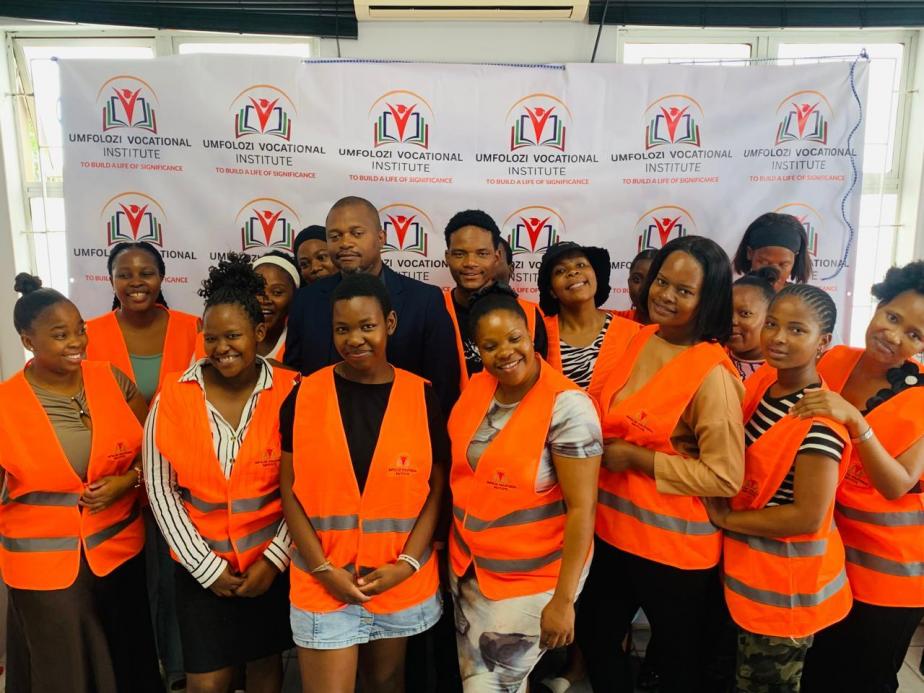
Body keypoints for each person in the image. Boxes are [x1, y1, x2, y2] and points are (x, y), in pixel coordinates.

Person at [577, 235, 746, 693]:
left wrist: (639, 459)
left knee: (678, 660)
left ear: (708, 300)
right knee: (595, 636)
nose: (666, 295)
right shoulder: (641, 337)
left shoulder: (712, 375)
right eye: (662, 282)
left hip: (673, 549)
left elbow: (725, 476)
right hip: (612, 532)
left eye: (684, 290)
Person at [279, 272, 447, 693]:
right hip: (324, 582)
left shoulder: (422, 396)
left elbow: (435, 489)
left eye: (367, 326)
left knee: (386, 682)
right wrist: (323, 569)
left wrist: (407, 564)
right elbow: (290, 490)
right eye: (342, 329)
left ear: (389, 323)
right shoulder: (304, 395)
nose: (355, 339)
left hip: (396, 580)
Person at [1, 273, 160, 693]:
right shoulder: (6, 404)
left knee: (126, 658)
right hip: (44, 569)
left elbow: (151, 449)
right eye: (60, 335)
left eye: (80, 330)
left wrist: (128, 481)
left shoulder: (111, 378)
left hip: (118, 554)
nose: (77, 342)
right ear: (28, 341)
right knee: (65, 669)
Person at [144, 253, 295, 693]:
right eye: (212, 338)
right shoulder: (173, 394)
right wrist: (205, 566)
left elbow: (305, 485)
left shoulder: (292, 390)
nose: (222, 348)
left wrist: (275, 559)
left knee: (265, 668)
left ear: (259, 334)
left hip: (268, 566)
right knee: (208, 681)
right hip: (200, 568)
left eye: (233, 336)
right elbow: (160, 486)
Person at [448, 284, 601, 692]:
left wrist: (563, 601)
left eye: (514, 338)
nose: (505, 352)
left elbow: (583, 509)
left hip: (532, 582)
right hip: (471, 571)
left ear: (531, 335)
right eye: (490, 345)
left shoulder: (569, 408)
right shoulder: (479, 387)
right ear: (477, 349)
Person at [702, 284, 851, 692]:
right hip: (747, 575)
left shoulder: (820, 422)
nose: (778, 338)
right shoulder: (766, 384)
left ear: (823, 342)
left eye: (796, 330)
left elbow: (806, 517)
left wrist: (727, 518)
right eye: (772, 324)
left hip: (785, 592)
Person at [797, 261, 924, 693]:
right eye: (892, 316)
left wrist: (857, 422)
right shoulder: (833, 359)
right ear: (879, 304)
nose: (894, 335)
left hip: (890, 577)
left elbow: (897, 483)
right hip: (826, 557)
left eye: (914, 334)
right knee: (819, 672)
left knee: (866, 679)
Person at [284, 196, 460, 415]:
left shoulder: (424, 300)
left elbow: (443, 387)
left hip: (403, 429)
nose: (345, 242)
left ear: (381, 237)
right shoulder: (305, 300)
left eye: (356, 233)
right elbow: (294, 375)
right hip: (324, 428)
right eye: (335, 236)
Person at [442, 209, 547, 391]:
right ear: (447, 257)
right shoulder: (433, 308)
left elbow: (541, 380)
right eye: (459, 254)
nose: (470, 262)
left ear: (496, 256)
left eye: (482, 253)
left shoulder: (528, 313)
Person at [85, 241, 199, 403]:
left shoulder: (194, 328)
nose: (136, 282)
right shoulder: (88, 334)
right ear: (111, 282)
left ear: (161, 278)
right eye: (124, 276)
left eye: (146, 274)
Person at [538, 241, 640, 401]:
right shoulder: (538, 334)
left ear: (595, 275)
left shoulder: (634, 334)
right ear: (552, 291)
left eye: (581, 264)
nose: (573, 272)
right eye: (560, 271)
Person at [733, 212, 812, 292]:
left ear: (795, 259)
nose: (772, 274)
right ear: (750, 253)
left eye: (783, 265)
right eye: (764, 262)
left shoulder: (802, 298)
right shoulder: (734, 295)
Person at [728, 267, 780, 380]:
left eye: (745, 313)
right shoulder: (710, 359)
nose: (732, 320)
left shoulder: (783, 375)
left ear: (769, 320)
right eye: (726, 312)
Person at [253, 251, 300, 363]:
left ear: (294, 296)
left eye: (277, 292)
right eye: (258, 291)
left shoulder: (302, 343)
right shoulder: (231, 335)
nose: (265, 300)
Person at [614, 249, 657, 322]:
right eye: (637, 280)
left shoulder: (675, 327)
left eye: (652, 280)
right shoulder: (614, 320)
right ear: (629, 283)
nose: (644, 288)